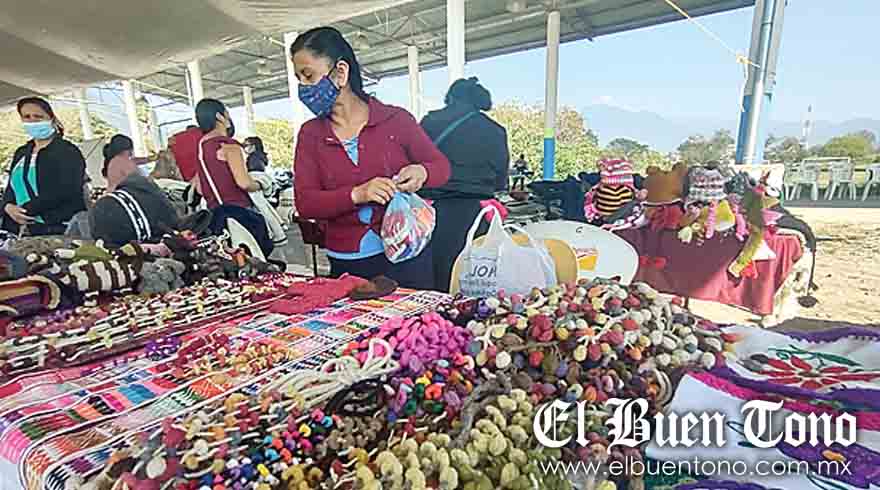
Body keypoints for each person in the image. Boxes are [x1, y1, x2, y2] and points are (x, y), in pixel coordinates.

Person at [291, 27, 450, 290]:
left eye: (308, 75)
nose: (303, 87)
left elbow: (441, 167)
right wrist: (358, 194)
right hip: (349, 264)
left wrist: (422, 172)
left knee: (415, 316)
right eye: (299, 79)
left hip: (406, 254)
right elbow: (306, 203)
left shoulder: (396, 120)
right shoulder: (311, 134)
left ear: (341, 72)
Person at [419, 77, 509, 292]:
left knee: (436, 278)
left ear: (450, 97)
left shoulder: (428, 123)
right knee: (476, 280)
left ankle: (437, 312)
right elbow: (500, 181)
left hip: (432, 214)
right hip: (476, 215)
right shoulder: (494, 130)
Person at [194, 98, 273, 256]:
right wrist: (262, 184)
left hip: (215, 220)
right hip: (240, 215)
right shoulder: (229, 146)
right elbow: (244, 183)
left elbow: (200, 189)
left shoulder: (201, 149)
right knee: (255, 259)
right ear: (219, 117)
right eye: (227, 114)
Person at [2, 97, 87, 236]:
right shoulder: (21, 152)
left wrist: (26, 210)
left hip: (61, 227)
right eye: (27, 117)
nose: (32, 121)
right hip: (26, 230)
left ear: (51, 118)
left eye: (38, 116)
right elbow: (11, 187)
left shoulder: (67, 151)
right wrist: (7, 206)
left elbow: (67, 189)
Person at [89, 136, 179, 246]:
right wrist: (157, 175)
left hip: (113, 200)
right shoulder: (124, 162)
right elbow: (141, 182)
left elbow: (137, 160)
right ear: (129, 149)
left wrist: (152, 158)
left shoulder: (116, 160)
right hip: (123, 204)